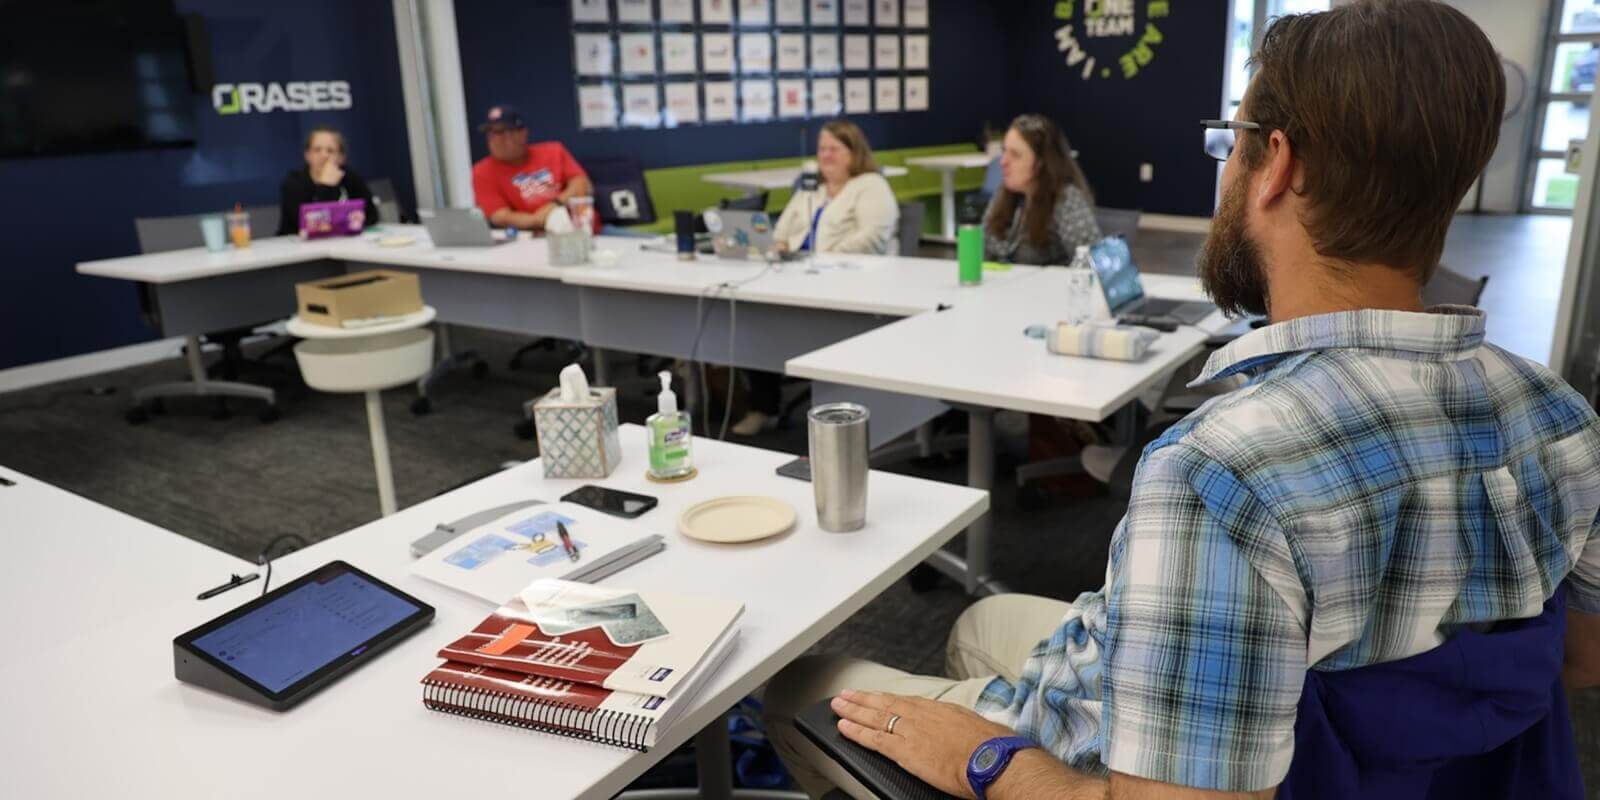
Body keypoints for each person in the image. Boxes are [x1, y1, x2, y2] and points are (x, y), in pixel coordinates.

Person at [764, 2, 1600, 799]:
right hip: (1367, 757)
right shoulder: (1564, 416)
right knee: (981, 625)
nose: (1225, 167)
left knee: (801, 683)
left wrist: (986, 760)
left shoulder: (1222, 477)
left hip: (1100, 763)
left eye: (1229, 143)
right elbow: (1581, 655)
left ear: (1277, 164)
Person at [733, 120, 899, 436]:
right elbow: (780, 231)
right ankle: (762, 406)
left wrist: (824, 254)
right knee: (753, 315)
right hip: (796, 275)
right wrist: (780, 245)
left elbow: (873, 238)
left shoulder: (870, 185)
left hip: (851, 284)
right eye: (822, 148)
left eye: (834, 148)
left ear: (854, 152)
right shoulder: (812, 188)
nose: (826, 155)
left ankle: (846, 415)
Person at [982, 114, 1100, 266]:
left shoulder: (1065, 197)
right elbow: (982, 252)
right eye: (1004, 151)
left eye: (1015, 155)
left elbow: (1090, 260)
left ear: (1041, 163)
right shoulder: (1004, 193)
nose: (1003, 161)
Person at [470, 104, 597, 233]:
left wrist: (555, 205)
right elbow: (500, 216)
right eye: (491, 134)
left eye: (501, 132)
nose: (495, 140)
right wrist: (537, 220)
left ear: (522, 133)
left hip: (584, 229)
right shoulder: (481, 171)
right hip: (533, 237)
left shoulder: (554, 151)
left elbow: (582, 184)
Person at [276, 126, 378, 236]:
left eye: (330, 151)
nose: (324, 156)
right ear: (307, 155)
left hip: (342, 242)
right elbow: (309, 225)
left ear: (341, 157)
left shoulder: (351, 178)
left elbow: (372, 216)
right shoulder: (293, 183)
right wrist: (326, 186)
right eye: (317, 150)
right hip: (297, 246)